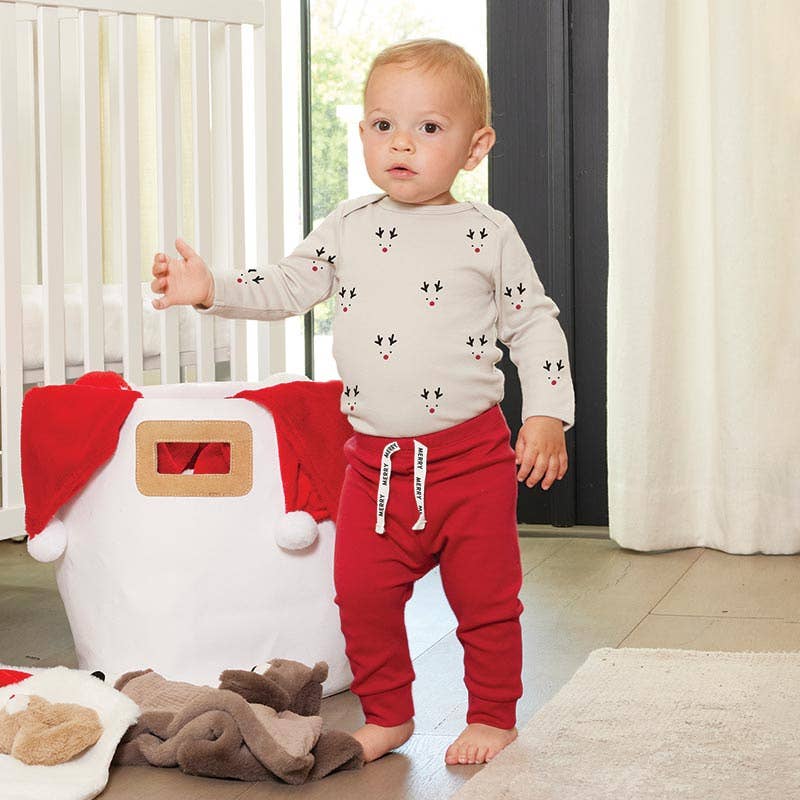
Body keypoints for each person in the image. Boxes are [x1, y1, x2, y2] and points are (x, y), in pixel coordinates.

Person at [150, 38, 574, 766]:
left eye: (429, 128)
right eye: (383, 125)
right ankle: (389, 714)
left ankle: (494, 717)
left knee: (487, 604)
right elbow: (284, 286)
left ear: (477, 148)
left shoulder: (487, 233)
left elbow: (533, 322)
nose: (401, 142)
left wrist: (545, 414)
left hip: (469, 462)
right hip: (373, 469)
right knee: (363, 598)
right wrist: (211, 287)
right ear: (363, 135)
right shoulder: (347, 225)